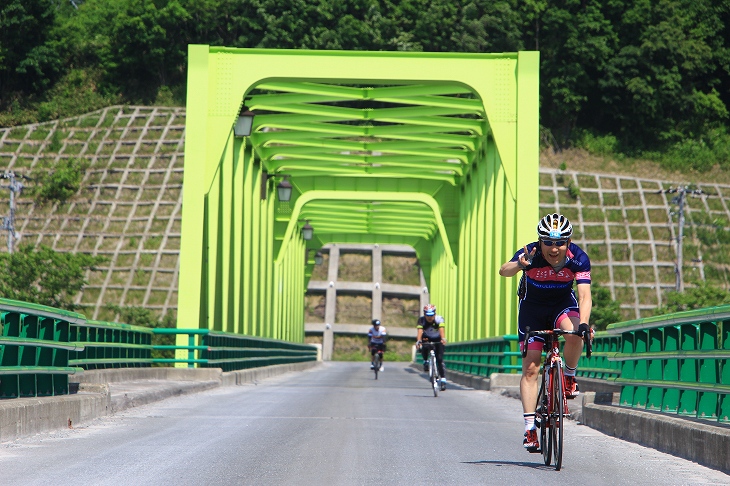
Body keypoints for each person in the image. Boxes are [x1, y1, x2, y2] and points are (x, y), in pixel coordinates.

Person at [498, 213, 592, 452]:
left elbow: (584, 295)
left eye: (560, 242)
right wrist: (520, 264)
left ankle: (569, 376)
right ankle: (530, 428)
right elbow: (503, 270)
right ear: (540, 242)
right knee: (531, 367)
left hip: (562, 305)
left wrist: (583, 323)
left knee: (574, 333)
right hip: (532, 309)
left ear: (568, 242)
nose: (554, 248)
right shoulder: (531, 253)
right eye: (548, 242)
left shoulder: (578, 258)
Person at [416, 304, 447, 391]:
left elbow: (441, 330)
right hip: (427, 338)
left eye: (431, 315)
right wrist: (418, 341)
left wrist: (443, 339)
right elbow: (420, 331)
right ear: (424, 314)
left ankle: (443, 379)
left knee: (440, 359)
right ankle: (425, 361)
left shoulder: (439, 319)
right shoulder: (421, 320)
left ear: (434, 313)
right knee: (424, 346)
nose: (430, 317)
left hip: (437, 339)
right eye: (428, 315)